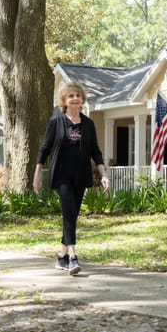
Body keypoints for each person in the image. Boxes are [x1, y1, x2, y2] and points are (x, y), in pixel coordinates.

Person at [33, 81, 110, 275]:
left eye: (77, 95)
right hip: (61, 176)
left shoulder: (89, 124)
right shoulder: (56, 122)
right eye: (70, 96)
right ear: (64, 101)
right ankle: (73, 256)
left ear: (82, 99)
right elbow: (44, 149)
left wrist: (103, 174)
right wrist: (37, 175)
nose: (75, 98)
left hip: (81, 175)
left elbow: (95, 151)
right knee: (68, 213)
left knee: (72, 215)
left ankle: (62, 256)